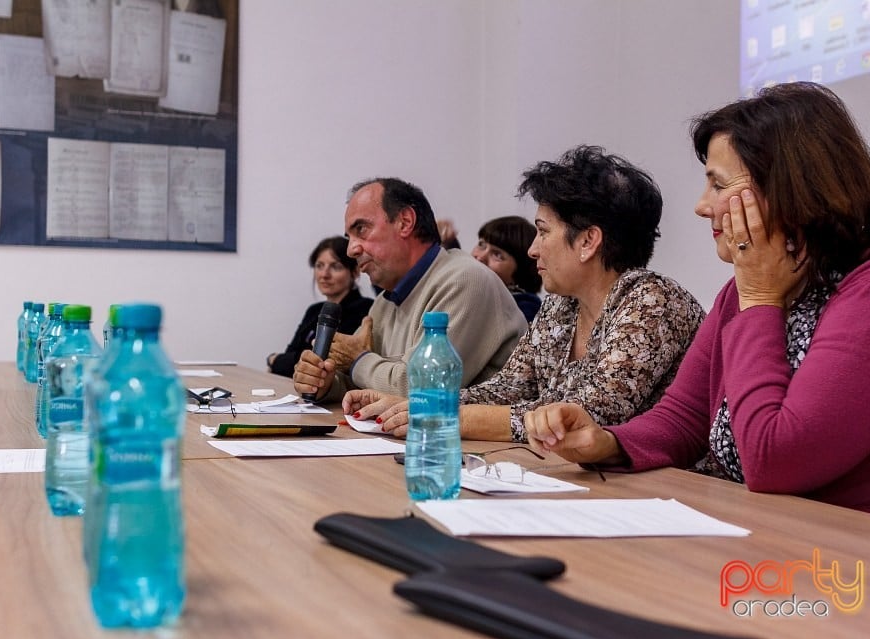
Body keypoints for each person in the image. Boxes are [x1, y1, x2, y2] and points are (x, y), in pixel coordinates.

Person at [524, 82, 870, 516]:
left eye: (719, 185)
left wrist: (760, 299)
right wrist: (609, 442)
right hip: (757, 527)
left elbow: (775, 460)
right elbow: (682, 417)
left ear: (790, 188)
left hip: (844, 558)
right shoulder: (746, 288)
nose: (701, 205)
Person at [343, 146, 705, 443]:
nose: (533, 250)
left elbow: (585, 417)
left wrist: (439, 415)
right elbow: (508, 389)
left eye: (543, 232)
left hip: (674, 495)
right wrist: (414, 403)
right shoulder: (562, 306)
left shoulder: (652, 302)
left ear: (587, 241)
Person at [293, 177, 527, 402]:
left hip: (476, 441)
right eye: (350, 236)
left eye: (361, 229)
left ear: (405, 222)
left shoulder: (465, 280)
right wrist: (324, 381)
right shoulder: (385, 301)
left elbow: (419, 391)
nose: (351, 250)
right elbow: (361, 379)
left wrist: (357, 359)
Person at [266, 236, 372, 377]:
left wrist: (274, 359)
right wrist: (283, 361)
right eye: (319, 266)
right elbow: (292, 356)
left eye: (336, 267)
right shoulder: (314, 310)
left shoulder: (365, 310)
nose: (324, 274)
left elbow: (327, 363)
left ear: (355, 272)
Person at [471, 216, 543, 322]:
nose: (481, 257)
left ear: (520, 272)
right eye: (482, 245)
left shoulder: (525, 309)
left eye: (497, 255)